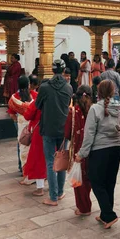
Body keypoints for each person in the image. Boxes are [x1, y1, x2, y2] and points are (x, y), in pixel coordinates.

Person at [75, 80, 120, 229]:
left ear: (99, 92)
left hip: (100, 150)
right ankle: (105, 214)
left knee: (96, 181)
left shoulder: (95, 109)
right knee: (109, 182)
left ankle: (109, 214)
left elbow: (89, 134)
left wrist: (81, 154)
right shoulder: (119, 108)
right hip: (116, 149)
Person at [36, 59, 73, 206]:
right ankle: (59, 192)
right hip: (63, 128)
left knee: (50, 161)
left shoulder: (44, 87)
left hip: (48, 128)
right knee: (62, 159)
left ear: (52, 70)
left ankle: (53, 197)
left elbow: (38, 105)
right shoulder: (68, 88)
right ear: (64, 71)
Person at [65, 85, 93, 216]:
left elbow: (66, 133)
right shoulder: (94, 110)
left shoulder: (73, 112)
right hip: (93, 149)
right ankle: (87, 204)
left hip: (78, 150)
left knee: (79, 178)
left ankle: (84, 208)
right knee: (89, 178)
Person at [20, 77, 46, 195]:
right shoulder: (57, 100)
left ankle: (40, 188)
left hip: (39, 132)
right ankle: (57, 188)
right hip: (55, 131)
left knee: (38, 159)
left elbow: (28, 115)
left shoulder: (37, 101)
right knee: (52, 159)